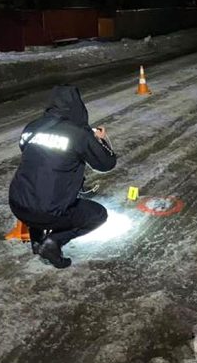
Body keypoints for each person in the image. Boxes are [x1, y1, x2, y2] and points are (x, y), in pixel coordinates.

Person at [9, 85, 117, 269]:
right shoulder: (79, 134)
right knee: (98, 215)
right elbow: (106, 164)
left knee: (40, 186)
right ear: (77, 106)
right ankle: (53, 242)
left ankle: (37, 242)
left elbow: (29, 151)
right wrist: (100, 140)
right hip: (47, 211)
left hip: (18, 204)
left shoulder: (32, 127)